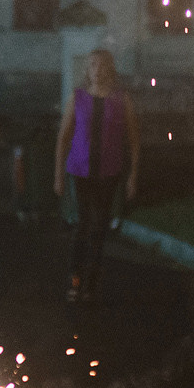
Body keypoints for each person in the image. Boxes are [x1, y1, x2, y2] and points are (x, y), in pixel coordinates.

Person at [53, 48, 139, 302]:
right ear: (87, 69)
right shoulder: (78, 98)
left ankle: (91, 283)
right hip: (80, 170)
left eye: (102, 65)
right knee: (81, 225)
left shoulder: (121, 100)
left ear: (109, 69)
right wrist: (58, 175)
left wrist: (133, 176)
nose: (97, 70)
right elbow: (64, 137)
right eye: (92, 65)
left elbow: (134, 139)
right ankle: (75, 280)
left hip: (108, 172)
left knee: (100, 228)